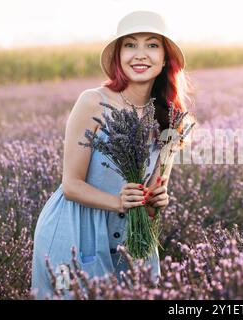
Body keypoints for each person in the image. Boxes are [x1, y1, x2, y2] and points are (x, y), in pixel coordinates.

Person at [31, 10, 193, 299]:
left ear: (166, 57)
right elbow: (71, 185)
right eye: (130, 45)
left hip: (131, 239)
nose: (140, 54)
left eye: (152, 45)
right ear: (118, 56)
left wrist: (158, 200)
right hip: (74, 231)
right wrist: (118, 201)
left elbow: (150, 205)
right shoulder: (93, 102)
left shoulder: (171, 119)